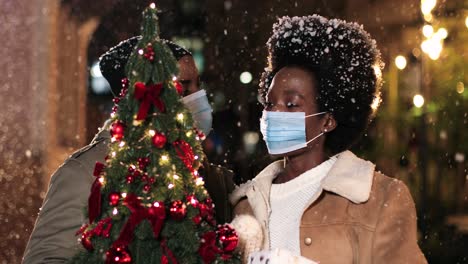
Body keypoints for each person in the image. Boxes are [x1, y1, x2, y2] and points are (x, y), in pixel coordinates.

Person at [230, 15, 427, 263]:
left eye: (291, 104)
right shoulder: (245, 204)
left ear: (328, 120)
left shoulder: (379, 199)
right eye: (269, 103)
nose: (274, 113)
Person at [23, 37, 235, 264]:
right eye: (182, 89)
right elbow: (47, 257)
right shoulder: (85, 173)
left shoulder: (209, 177)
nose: (197, 99)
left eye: (197, 86)